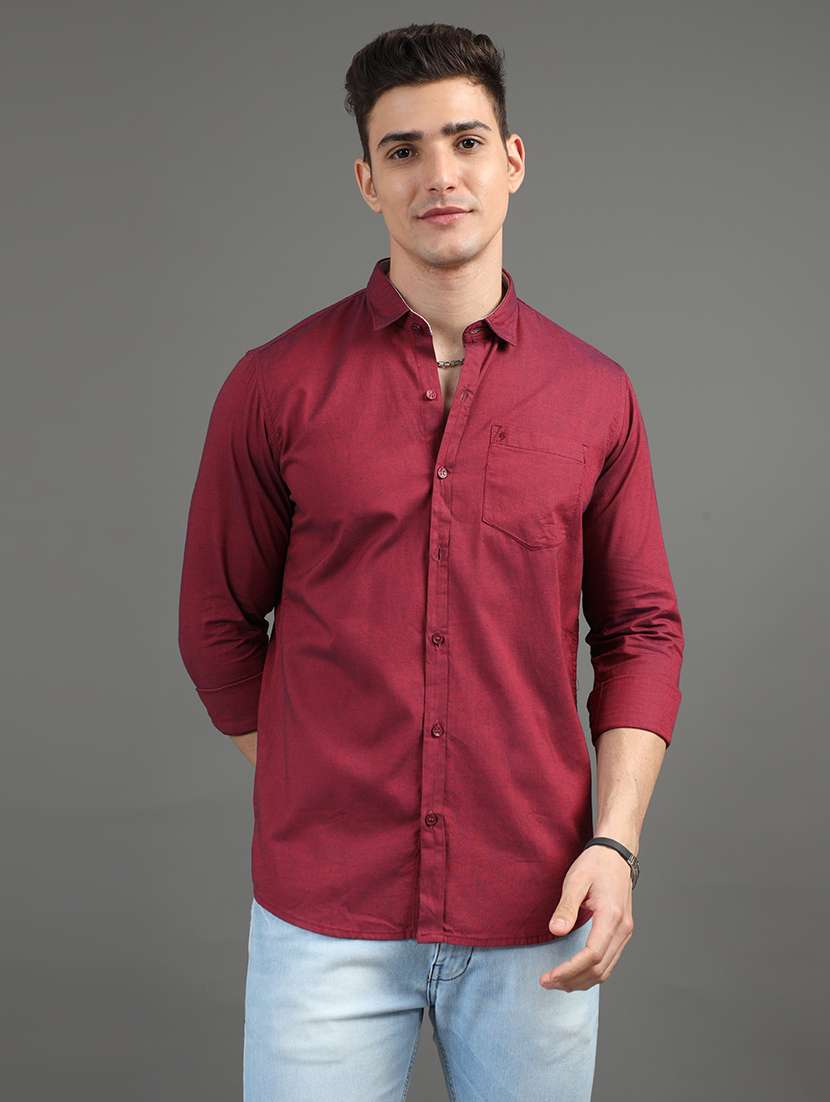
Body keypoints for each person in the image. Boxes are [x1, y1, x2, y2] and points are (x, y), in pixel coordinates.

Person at [177, 21, 685, 1102]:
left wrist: (614, 844)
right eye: (403, 150)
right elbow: (216, 626)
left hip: (538, 906)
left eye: (465, 141)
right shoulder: (274, 386)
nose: (438, 175)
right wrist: (315, 775)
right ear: (368, 180)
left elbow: (641, 632)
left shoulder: (596, 395)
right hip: (324, 915)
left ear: (512, 160)